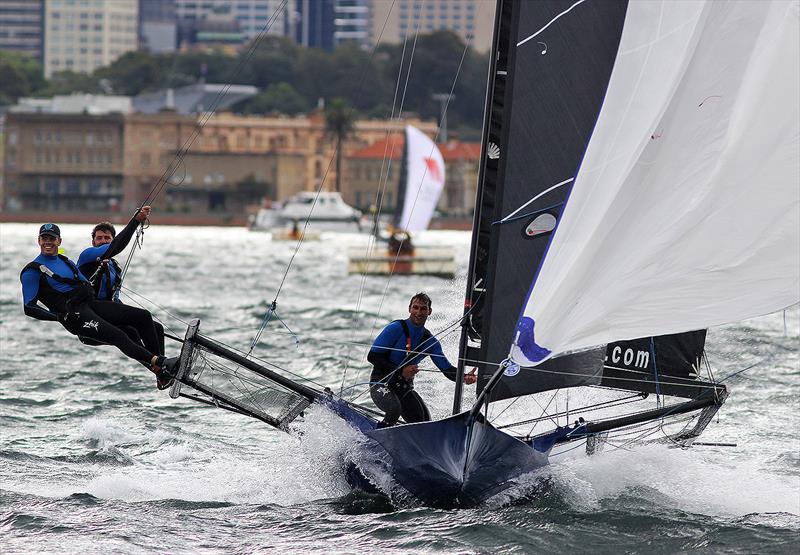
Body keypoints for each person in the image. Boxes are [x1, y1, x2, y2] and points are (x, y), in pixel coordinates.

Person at [20, 223, 177, 388]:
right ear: (38, 240)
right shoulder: (32, 270)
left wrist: (100, 275)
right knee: (121, 335)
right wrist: (59, 317)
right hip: (76, 317)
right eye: (44, 238)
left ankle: (162, 371)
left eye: (52, 238)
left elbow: (86, 285)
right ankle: (161, 365)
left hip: (90, 305)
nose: (48, 242)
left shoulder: (66, 261)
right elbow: (29, 307)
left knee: (143, 316)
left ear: (59, 241)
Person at [368, 292, 477, 427]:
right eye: (415, 307)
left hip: (403, 388)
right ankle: (376, 439)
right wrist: (401, 370)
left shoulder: (431, 342)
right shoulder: (395, 328)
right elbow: (372, 356)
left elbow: (447, 370)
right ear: (409, 309)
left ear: (429, 311)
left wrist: (464, 377)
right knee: (394, 409)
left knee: (424, 421)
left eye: (423, 308)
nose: (418, 312)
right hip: (380, 384)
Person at [77, 206, 165, 356]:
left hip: (108, 312)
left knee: (156, 328)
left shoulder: (114, 266)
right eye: (99, 238)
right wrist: (135, 221)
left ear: (112, 239)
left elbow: (114, 299)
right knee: (143, 317)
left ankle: (162, 371)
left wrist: (129, 314)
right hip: (90, 317)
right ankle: (160, 365)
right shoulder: (88, 255)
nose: (103, 241)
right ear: (93, 242)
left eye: (107, 238)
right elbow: (115, 247)